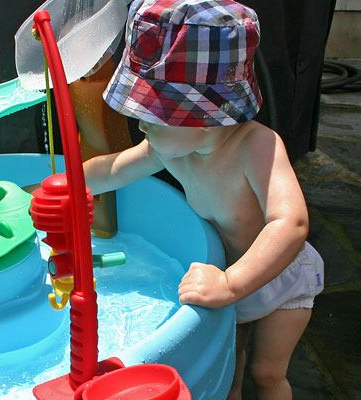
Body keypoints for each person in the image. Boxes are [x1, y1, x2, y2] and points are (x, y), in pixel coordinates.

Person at [82, 1, 325, 399]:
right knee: (230, 364)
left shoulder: (257, 147)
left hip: (279, 277)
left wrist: (231, 284)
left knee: (267, 372)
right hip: (223, 276)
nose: (141, 122)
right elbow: (113, 171)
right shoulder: (170, 148)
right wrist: (62, 184)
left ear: (203, 116)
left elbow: (291, 224)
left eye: (153, 112)